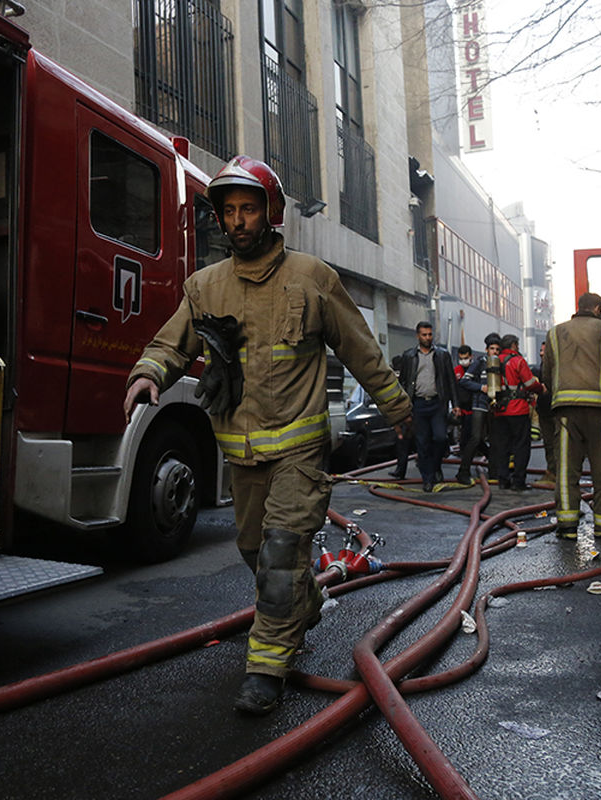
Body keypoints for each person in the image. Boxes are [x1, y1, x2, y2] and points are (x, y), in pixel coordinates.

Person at [123, 155, 412, 715]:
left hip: (300, 453)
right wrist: (146, 374)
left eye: (248, 209)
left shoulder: (311, 278)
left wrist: (396, 405)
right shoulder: (205, 286)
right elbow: (170, 344)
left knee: (281, 552)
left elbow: (359, 347)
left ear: (270, 214)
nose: (237, 221)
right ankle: (302, 602)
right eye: (228, 211)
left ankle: (267, 665)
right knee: (257, 552)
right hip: (243, 455)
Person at [544, 292, 601, 539]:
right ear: (597, 308)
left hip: (565, 411)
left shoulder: (554, 333)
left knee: (566, 469)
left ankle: (567, 526)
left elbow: (547, 374)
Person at [396, 322, 459, 492]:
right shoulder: (409, 356)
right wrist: (403, 408)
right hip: (418, 404)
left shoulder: (442, 355)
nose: (427, 338)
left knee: (440, 438)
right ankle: (428, 479)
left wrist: (456, 404)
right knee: (422, 443)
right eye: (424, 335)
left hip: (437, 403)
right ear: (418, 336)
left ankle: (436, 466)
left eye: (430, 334)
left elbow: (451, 381)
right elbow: (403, 383)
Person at [488, 334, 543, 490]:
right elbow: (530, 383)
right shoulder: (518, 361)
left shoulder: (495, 361)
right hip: (517, 409)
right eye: (517, 345)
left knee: (503, 446)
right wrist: (541, 388)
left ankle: (503, 480)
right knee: (521, 446)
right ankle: (518, 482)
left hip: (500, 410)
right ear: (513, 345)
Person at [454, 334, 498, 485]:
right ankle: (463, 471)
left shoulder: (500, 365)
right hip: (479, 405)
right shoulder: (479, 364)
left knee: (495, 440)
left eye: (497, 349)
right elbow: (464, 381)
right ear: (486, 350)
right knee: (476, 438)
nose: (495, 352)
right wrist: (481, 387)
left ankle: (494, 471)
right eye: (492, 349)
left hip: (494, 407)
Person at [529, 339, 557, 489]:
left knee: (555, 444)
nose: (541, 353)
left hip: (555, 411)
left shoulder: (557, 368)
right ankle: (552, 472)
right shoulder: (543, 366)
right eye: (540, 350)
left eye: (544, 351)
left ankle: (556, 473)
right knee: (549, 443)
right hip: (545, 410)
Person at [388, 354, 414, 479]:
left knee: (403, 443)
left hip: (406, 414)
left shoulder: (401, 378)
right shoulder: (407, 376)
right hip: (407, 414)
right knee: (405, 443)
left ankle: (400, 470)